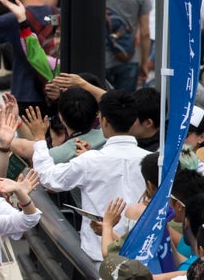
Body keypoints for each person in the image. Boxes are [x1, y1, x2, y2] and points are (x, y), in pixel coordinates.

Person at [31, 90, 150, 263]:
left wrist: (39, 138)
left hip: (99, 255)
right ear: (133, 121)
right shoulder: (151, 159)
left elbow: (48, 177)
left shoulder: (90, 160)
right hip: (143, 254)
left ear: (103, 121)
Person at [105, 0, 151, 92]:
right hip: (129, 58)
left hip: (101, 58)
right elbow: (145, 32)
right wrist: (144, 61)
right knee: (125, 107)